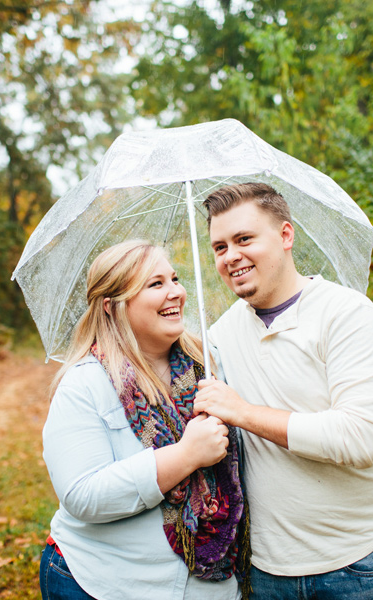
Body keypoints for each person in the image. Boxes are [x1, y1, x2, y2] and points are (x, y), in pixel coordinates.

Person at [194, 183, 373, 599]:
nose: (231, 256)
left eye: (244, 239)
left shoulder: (346, 314)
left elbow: (359, 438)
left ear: (286, 235)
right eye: (219, 247)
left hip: (358, 564)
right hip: (268, 570)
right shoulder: (218, 336)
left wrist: (241, 411)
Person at [40, 240, 248, 600]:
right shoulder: (85, 383)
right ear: (111, 306)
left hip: (209, 587)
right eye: (156, 284)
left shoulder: (210, 366)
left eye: (175, 279)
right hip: (102, 583)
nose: (176, 293)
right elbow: (82, 495)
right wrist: (186, 455)